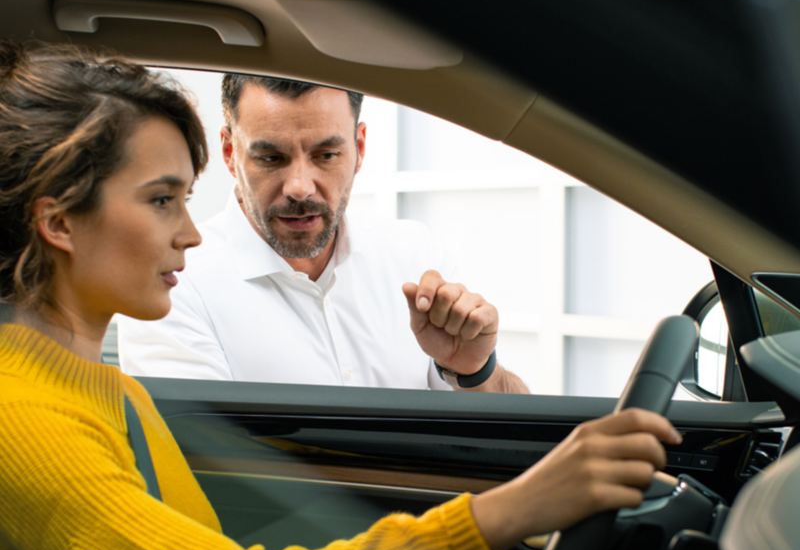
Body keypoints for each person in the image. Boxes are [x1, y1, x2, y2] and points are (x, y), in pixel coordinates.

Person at [0, 40, 680, 550]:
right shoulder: (23, 419)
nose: (193, 232)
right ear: (59, 223)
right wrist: (515, 509)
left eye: (183, 199)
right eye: (163, 200)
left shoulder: (111, 395)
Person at [116, 74, 528, 394]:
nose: (300, 186)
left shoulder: (413, 253)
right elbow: (200, 472)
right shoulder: (173, 288)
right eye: (271, 157)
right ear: (229, 152)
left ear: (359, 148)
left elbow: (515, 444)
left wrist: (476, 371)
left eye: (326, 155)